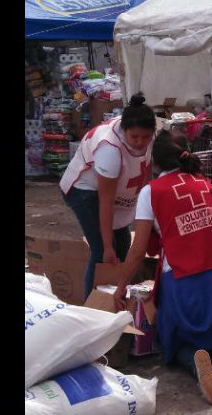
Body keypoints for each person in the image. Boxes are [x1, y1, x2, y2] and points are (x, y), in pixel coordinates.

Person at [112, 130, 212, 405]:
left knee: (173, 340)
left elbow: (138, 250)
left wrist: (121, 287)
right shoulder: (202, 181)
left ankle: (195, 362)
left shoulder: (150, 192)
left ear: (154, 163)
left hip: (183, 279)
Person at [60, 93, 156, 299]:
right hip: (83, 190)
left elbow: (145, 172)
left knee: (122, 245)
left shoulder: (148, 135)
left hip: (116, 192)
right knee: (102, 252)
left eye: (146, 137)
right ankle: (93, 306)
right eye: (135, 137)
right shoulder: (109, 149)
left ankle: (117, 294)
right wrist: (106, 246)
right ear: (124, 131)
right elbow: (106, 202)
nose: (141, 142)